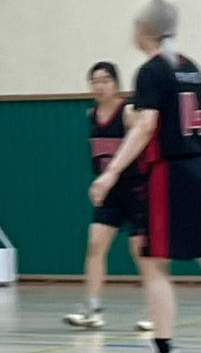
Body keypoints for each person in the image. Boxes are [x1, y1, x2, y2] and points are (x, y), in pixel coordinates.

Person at [90, 0, 201, 353]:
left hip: (170, 173)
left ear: (143, 29)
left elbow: (146, 127)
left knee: (153, 262)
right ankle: (161, 352)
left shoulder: (151, 70)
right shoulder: (191, 67)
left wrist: (111, 172)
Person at [65, 61, 152, 332]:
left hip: (136, 187)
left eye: (105, 80)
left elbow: (144, 141)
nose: (99, 86)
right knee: (95, 244)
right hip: (109, 190)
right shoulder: (91, 114)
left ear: (116, 83)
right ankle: (93, 309)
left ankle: (153, 311)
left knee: (140, 250)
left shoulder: (128, 112)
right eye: (95, 81)